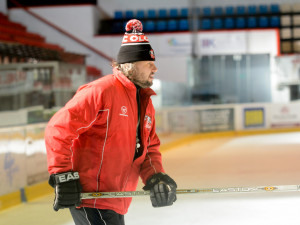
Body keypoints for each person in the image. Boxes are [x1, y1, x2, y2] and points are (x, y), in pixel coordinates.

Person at [45, 19, 177, 225]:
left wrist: (156, 177)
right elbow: (58, 129)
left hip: (116, 199)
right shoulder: (101, 91)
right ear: (131, 65)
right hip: (92, 199)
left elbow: (148, 148)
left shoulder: (144, 101)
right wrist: (62, 174)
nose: (155, 68)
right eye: (149, 63)